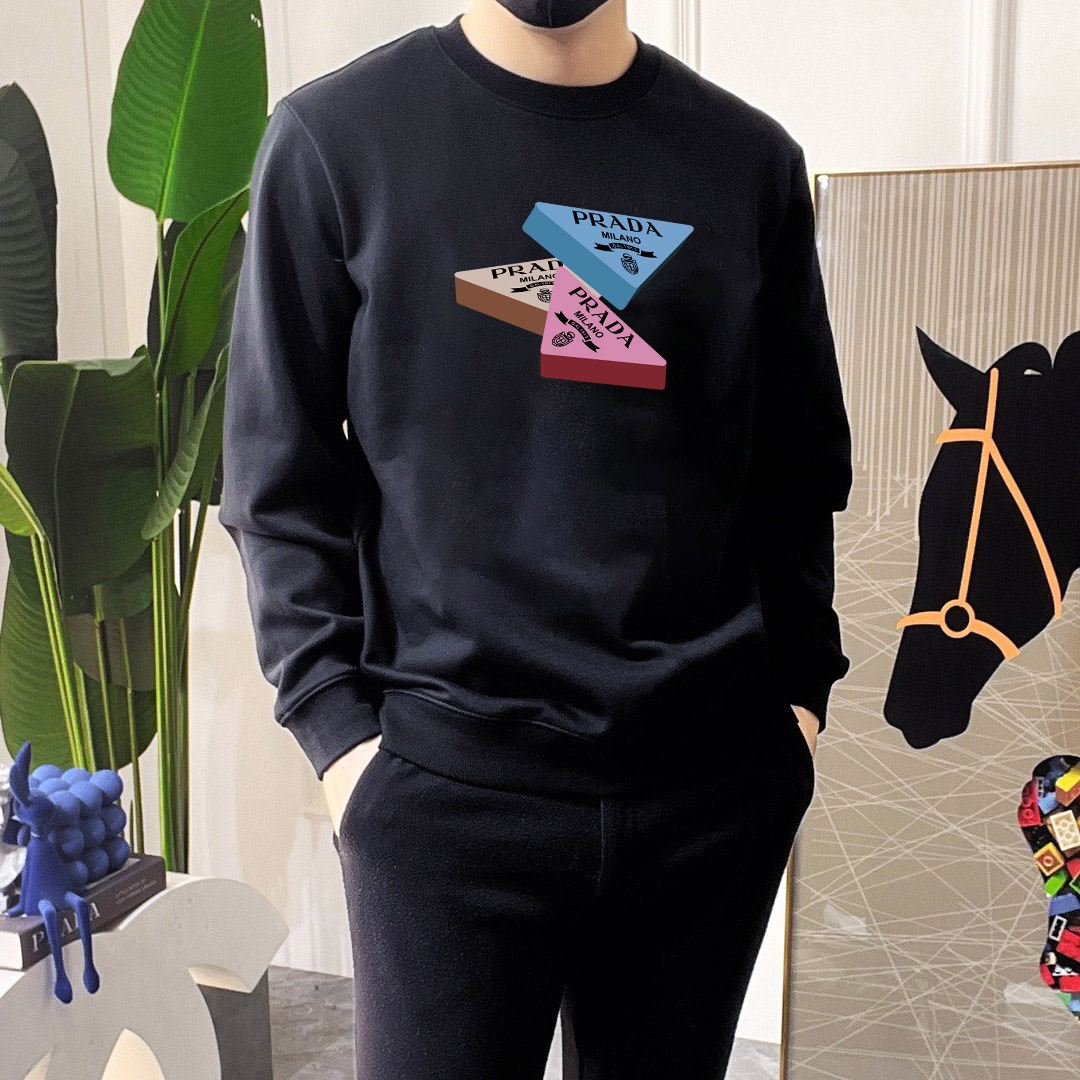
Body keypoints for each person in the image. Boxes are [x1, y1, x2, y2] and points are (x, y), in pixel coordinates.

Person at [219, 0, 852, 1076]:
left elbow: (796, 471)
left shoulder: (750, 163)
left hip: (708, 797)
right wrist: (343, 744)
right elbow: (277, 474)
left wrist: (796, 708)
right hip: (440, 802)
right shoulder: (336, 141)